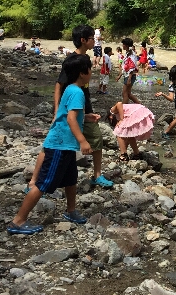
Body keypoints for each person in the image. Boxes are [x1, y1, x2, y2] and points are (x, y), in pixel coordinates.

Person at [7, 54, 93, 235]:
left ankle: (71, 211)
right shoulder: (77, 92)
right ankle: (18, 221)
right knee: (43, 183)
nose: (91, 72)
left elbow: (66, 115)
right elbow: (70, 119)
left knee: (71, 180)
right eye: (90, 69)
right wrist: (83, 141)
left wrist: (85, 117)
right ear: (82, 73)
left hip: (65, 145)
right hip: (61, 145)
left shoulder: (69, 88)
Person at [29, 25, 113, 191]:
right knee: (51, 145)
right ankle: (33, 181)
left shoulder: (85, 60)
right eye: (91, 39)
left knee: (96, 138)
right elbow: (58, 85)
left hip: (83, 108)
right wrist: (56, 111)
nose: (94, 41)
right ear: (83, 40)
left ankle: (96, 175)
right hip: (70, 110)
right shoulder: (72, 62)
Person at [115, 37, 140, 104]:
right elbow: (124, 67)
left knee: (124, 93)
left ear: (126, 45)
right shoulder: (127, 53)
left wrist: (129, 78)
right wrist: (119, 75)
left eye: (123, 44)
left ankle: (123, 109)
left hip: (130, 76)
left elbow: (132, 67)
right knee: (128, 94)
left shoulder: (132, 54)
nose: (122, 46)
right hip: (127, 75)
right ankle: (139, 105)